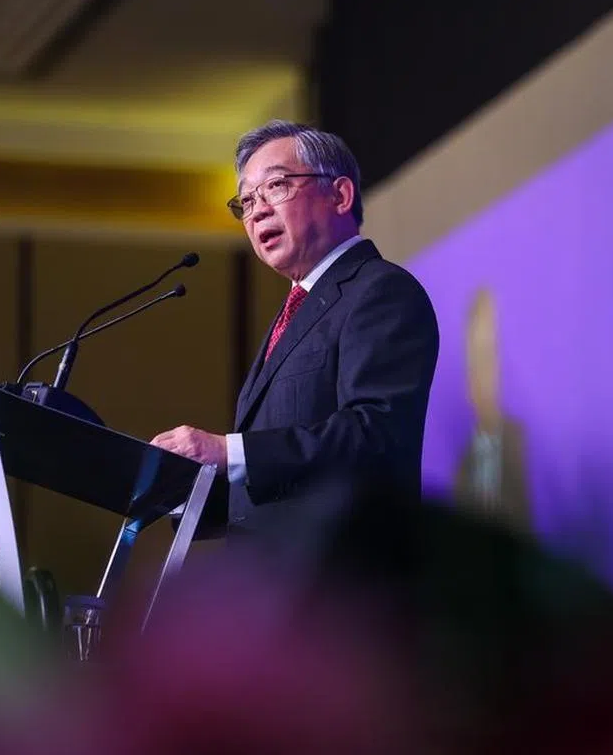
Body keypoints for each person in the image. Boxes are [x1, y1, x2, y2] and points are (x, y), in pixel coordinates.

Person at [151, 120, 439, 537]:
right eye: (246, 200)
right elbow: (276, 478)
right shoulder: (296, 310)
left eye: (276, 186)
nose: (257, 211)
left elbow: (376, 436)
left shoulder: (380, 291)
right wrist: (178, 488)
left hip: (340, 569)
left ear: (340, 195)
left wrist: (227, 450)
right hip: (271, 570)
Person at [454, 288, 531, 532]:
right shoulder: (462, 464)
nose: (480, 374)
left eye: (487, 356)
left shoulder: (524, 446)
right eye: (473, 359)